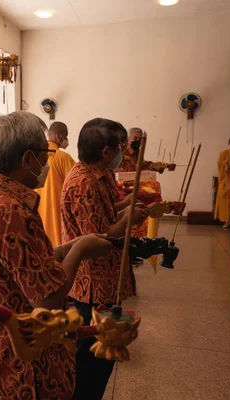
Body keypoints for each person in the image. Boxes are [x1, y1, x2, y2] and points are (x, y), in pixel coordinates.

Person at [0, 111, 114, 400]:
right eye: (45, 154)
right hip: (25, 358)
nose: (47, 162)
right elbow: (47, 298)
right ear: (28, 159)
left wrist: (68, 247)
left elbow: (16, 267)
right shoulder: (11, 211)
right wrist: (80, 252)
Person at [61, 118, 148, 400]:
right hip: (93, 283)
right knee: (94, 357)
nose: (125, 153)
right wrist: (129, 221)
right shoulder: (83, 182)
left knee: (105, 350)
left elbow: (107, 210)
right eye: (121, 147)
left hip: (108, 278)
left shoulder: (101, 174)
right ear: (107, 152)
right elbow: (95, 242)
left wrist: (127, 204)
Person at [35, 121, 76, 247]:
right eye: (66, 135)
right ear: (59, 136)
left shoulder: (36, 156)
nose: (67, 139)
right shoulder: (63, 157)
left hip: (38, 211)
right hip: (57, 213)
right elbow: (76, 186)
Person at [214, 136, 230, 228]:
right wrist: (228, 167)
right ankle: (227, 222)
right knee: (225, 204)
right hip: (225, 182)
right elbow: (221, 166)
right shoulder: (223, 154)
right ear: (229, 144)